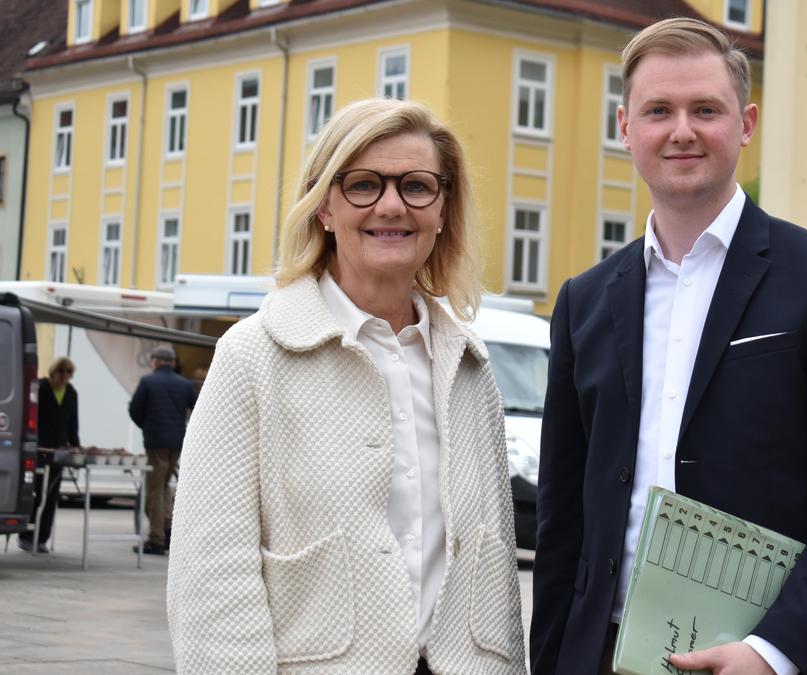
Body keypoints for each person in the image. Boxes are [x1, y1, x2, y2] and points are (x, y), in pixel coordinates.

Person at [530, 18, 807, 675]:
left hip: (760, 657)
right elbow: (564, 522)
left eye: (706, 109)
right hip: (602, 656)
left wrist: (774, 650)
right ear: (625, 127)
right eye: (658, 111)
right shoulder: (583, 302)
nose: (682, 130)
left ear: (747, 123)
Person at [166, 99, 525, 674]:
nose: (391, 205)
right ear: (324, 207)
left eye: (416, 186)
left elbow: (495, 574)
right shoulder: (253, 357)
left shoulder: (470, 370)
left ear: (442, 208)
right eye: (362, 184)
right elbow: (211, 577)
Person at [129, 345, 197, 555]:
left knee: (155, 490)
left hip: (156, 442)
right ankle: (169, 532)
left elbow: (134, 410)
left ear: (155, 361)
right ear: (173, 363)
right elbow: (196, 407)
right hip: (176, 442)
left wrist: (147, 426)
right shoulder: (185, 384)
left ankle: (156, 538)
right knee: (165, 486)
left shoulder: (148, 382)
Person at [18, 357, 80, 553]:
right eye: (61, 372)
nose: (64, 377)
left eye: (68, 373)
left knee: (51, 495)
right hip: (40, 447)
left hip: (59, 450)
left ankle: (42, 537)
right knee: (35, 493)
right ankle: (26, 535)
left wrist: (75, 445)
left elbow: (72, 423)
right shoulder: (41, 389)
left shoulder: (71, 393)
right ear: (53, 372)